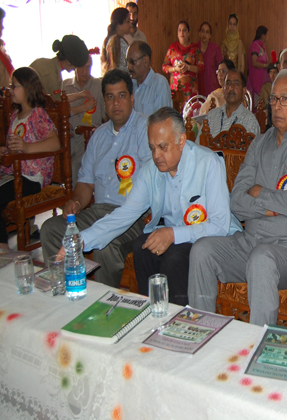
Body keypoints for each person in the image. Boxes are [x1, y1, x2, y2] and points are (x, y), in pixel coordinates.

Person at [60, 107, 241, 305]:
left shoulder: (208, 163)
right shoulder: (151, 171)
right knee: (143, 246)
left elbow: (219, 225)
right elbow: (125, 214)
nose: (156, 156)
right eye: (152, 148)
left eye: (162, 147)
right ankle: (151, 310)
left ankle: (179, 316)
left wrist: (172, 234)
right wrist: (81, 241)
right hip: (177, 235)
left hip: (211, 239)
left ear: (181, 141)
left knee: (174, 256)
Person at [188, 69, 287, 326]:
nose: (277, 106)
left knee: (262, 259)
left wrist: (259, 191)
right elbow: (236, 202)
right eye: (273, 99)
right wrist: (273, 207)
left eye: (285, 99)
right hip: (250, 243)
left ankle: (260, 344)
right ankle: (201, 329)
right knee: (202, 250)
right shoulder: (259, 143)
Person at [41, 69, 150, 286]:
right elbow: (85, 182)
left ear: (132, 98)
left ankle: (101, 301)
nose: (116, 103)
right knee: (50, 230)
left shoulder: (145, 129)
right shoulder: (98, 135)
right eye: (110, 97)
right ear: (104, 101)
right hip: (97, 212)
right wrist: (76, 202)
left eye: (121, 95)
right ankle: (67, 288)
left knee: (104, 246)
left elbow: (151, 184)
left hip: (132, 216)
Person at [0, 67, 60, 250]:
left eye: (14, 86)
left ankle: (1, 249)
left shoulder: (38, 114)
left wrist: (27, 148)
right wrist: (3, 152)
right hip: (12, 175)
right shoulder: (14, 116)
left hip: (30, 178)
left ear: (27, 88)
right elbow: (14, 148)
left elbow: (55, 143)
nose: (10, 90)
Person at [61, 54, 104, 185]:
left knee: (77, 167)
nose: (85, 71)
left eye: (88, 67)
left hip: (89, 137)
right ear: (75, 67)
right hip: (69, 136)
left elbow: (106, 116)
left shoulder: (99, 85)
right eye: (81, 67)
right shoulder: (65, 85)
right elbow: (60, 112)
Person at [204, 69, 260, 137]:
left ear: (244, 91)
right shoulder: (211, 116)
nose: (231, 88)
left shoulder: (250, 121)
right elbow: (198, 143)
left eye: (236, 84)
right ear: (223, 89)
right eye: (228, 84)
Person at [127, 41, 172, 117]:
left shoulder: (159, 83)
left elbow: (163, 120)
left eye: (132, 62)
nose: (129, 66)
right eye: (127, 61)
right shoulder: (129, 84)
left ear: (146, 60)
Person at [162, 21, 204, 99]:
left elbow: (201, 67)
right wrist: (175, 69)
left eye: (184, 30)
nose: (182, 32)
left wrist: (188, 67)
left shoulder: (195, 48)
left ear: (188, 33)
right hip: (175, 90)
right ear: (177, 33)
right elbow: (164, 66)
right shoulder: (172, 48)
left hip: (190, 90)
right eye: (179, 30)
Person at [101, 7, 131, 75]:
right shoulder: (118, 41)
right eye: (128, 21)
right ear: (119, 25)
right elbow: (125, 66)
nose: (130, 25)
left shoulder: (109, 39)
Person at [196, 22, 223, 97]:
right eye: (203, 31)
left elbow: (221, 67)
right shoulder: (195, 48)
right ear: (199, 33)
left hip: (213, 87)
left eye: (207, 32)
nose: (204, 34)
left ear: (210, 35)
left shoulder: (215, 49)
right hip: (198, 86)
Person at [247, 25, 270, 107]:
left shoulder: (262, 47)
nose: (267, 37)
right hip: (256, 80)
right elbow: (254, 62)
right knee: (257, 106)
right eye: (266, 35)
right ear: (262, 35)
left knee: (263, 105)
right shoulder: (255, 45)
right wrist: (265, 65)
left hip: (263, 81)